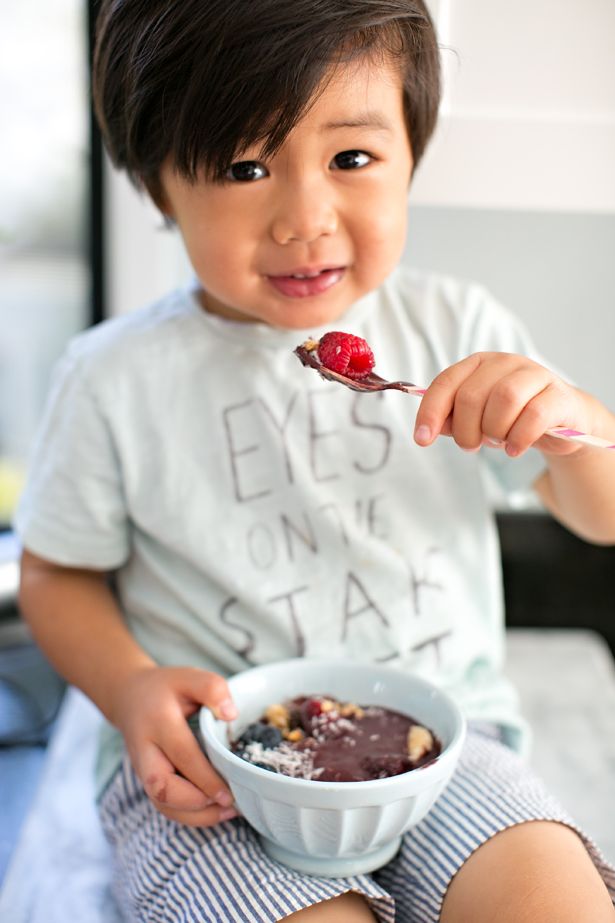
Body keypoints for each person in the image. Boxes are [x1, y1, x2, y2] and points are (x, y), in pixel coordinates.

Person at [15, 1, 615, 920]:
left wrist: (568, 424)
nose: (304, 219)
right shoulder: (111, 378)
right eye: (244, 167)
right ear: (158, 186)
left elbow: (599, 515)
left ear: (411, 152)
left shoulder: (458, 328)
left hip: (445, 745)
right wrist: (130, 688)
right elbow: (56, 574)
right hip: (209, 768)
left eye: (351, 158)